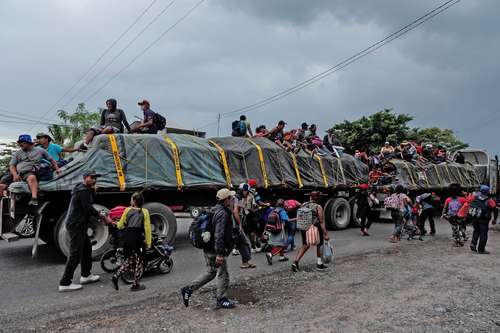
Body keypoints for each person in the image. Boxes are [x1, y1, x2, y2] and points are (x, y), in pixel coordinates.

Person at [181, 188, 237, 309]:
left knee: (211, 272)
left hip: (208, 247)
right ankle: (221, 299)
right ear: (226, 199)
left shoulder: (214, 209)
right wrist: (220, 254)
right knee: (223, 274)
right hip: (215, 249)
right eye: (230, 198)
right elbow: (219, 234)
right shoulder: (222, 213)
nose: (232, 199)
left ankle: (188, 289)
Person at [58, 170, 105, 292]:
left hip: (79, 224)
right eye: (92, 177)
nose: (94, 180)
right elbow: (88, 208)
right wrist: (102, 216)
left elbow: (89, 203)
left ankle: (86, 275)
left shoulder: (84, 189)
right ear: (85, 178)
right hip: (76, 225)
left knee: (86, 249)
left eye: (95, 178)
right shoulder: (83, 191)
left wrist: (94, 191)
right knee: (75, 253)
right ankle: (65, 283)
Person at [0, 134, 61, 206]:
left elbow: (52, 160)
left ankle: (34, 198)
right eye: (19, 142)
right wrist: (15, 175)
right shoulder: (18, 153)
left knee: (31, 177)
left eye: (21, 142)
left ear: (28, 142)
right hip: (16, 172)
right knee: (1, 185)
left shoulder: (40, 151)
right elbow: (12, 165)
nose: (19, 144)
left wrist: (57, 169)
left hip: (30, 172)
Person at [111, 192, 152, 291]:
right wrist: (148, 242)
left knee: (130, 260)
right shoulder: (145, 212)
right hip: (137, 239)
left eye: (131, 199)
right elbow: (147, 228)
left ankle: (116, 276)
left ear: (134, 201)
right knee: (139, 262)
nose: (130, 201)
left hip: (127, 239)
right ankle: (135, 284)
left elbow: (120, 225)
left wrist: (115, 223)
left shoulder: (127, 210)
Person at [292, 191, 330, 272]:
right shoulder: (318, 207)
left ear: (310, 197)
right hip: (314, 228)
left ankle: (295, 262)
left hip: (304, 227)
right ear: (319, 198)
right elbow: (321, 222)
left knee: (305, 245)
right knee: (319, 244)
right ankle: (319, 264)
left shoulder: (304, 204)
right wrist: (325, 234)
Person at [469, 185, 497, 254]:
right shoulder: (489, 200)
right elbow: (495, 210)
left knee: (476, 231)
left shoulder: (474, 197)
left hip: (474, 217)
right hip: (484, 219)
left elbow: (470, 204)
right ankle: (481, 249)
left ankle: (473, 244)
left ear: (480, 191)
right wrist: (494, 219)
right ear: (488, 192)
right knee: (483, 234)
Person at [234, 183, 260, 253]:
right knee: (240, 232)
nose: (247, 192)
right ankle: (237, 248)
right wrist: (239, 223)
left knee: (244, 232)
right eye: (246, 191)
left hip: (245, 216)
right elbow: (236, 211)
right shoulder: (238, 197)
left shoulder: (242, 196)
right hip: (241, 216)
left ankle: (250, 247)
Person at [265, 199, 290, 265]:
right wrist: (296, 218)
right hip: (280, 229)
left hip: (272, 228)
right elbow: (286, 220)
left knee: (279, 243)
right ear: (283, 205)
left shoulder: (273, 210)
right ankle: (270, 254)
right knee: (282, 245)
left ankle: (282, 257)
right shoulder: (282, 211)